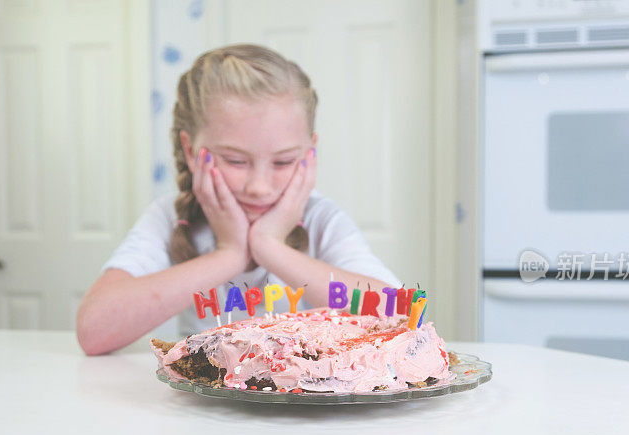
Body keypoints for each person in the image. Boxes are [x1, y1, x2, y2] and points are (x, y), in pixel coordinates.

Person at [76, 44, 399, 355]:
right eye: (235, 161)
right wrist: (229, 254)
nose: (259, 187)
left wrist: (270, 247)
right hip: (202, 408)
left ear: (309, 153)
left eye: (283, 162)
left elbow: (402, 317)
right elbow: (94, 330)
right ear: (191, 150)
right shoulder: (171, 217)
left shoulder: (320, 219)